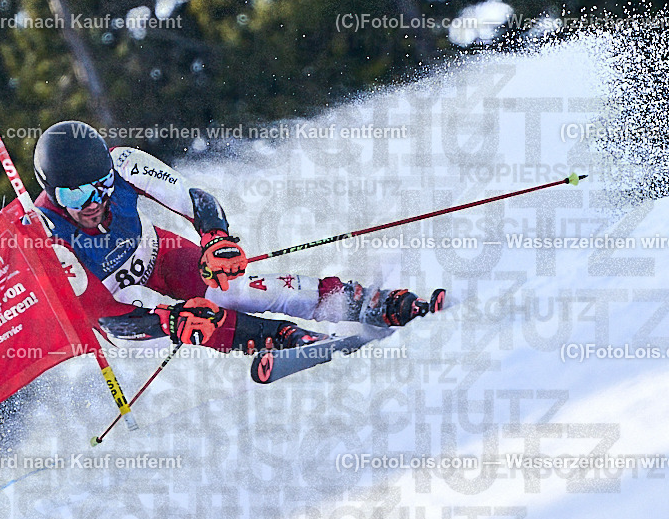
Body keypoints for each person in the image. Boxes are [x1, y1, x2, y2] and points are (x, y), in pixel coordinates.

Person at [32, 121, 443, 355]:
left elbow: (194, 197)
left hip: (154, 251)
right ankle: (274, 338)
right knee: (187, 325)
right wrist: (171, 322)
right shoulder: (47, 235)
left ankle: (361, 301)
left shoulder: (122, 162)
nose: (91, 202)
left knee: (233, 287)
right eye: (73, 194)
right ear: (52, 191)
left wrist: (215, 239)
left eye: (100, 185)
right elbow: (106, 319)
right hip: (119, 300)